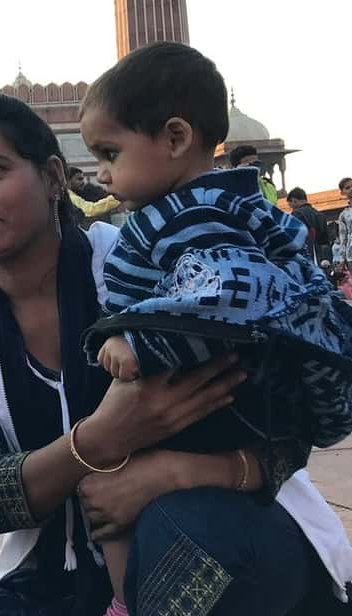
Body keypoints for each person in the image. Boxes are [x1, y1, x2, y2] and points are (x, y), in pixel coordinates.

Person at [0, 88, 352, 616]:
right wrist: (101, 439)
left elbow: (285, 434)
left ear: (55, 177)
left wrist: (169, 473)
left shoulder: (161, 271)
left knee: (202, 566)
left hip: (227, 533)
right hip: (59, 574)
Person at [79, 44, 352, 610]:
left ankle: (123, 602)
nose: (101, 171)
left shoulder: (190, 214)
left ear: (176, 138)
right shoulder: (228, 205)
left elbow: (223, 297)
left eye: (110, 151)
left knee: (112, 488)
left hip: (215, 402)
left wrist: (136, 339)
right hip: (243, 413)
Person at [286, 187, 329, 263]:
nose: (291, 209)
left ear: (294, 200)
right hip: (321, 259)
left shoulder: (296, 214)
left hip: (305, 257)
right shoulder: (320, 215)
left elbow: (294, 239)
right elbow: (325, 241)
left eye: (291, 206)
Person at [336, 177, 352, 267]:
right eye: (347, 187)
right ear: (342, 192)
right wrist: (342, 259)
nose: (351, 189)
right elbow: (343, 238)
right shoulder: (343, 215)